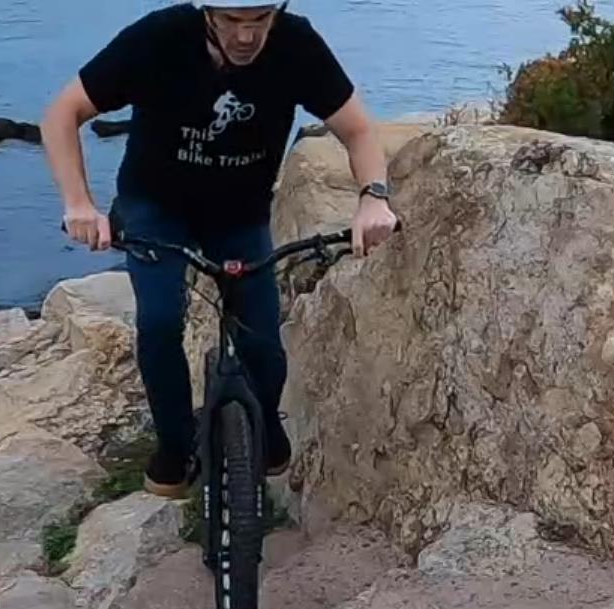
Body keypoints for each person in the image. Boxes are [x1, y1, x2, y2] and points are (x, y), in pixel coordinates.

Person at [40, 1, 399, 498]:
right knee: (160, 321)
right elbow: (62, 114)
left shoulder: (296, 44)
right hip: (156, 207)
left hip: (238, 213)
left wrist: (373, 198)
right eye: (232, 21)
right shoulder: (159, 38)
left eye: (259, 20)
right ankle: (174, 447)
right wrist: (79, 204)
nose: (246, 36)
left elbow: (357, 130)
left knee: (263, 341)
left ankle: (264, 420)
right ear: (207, 14)